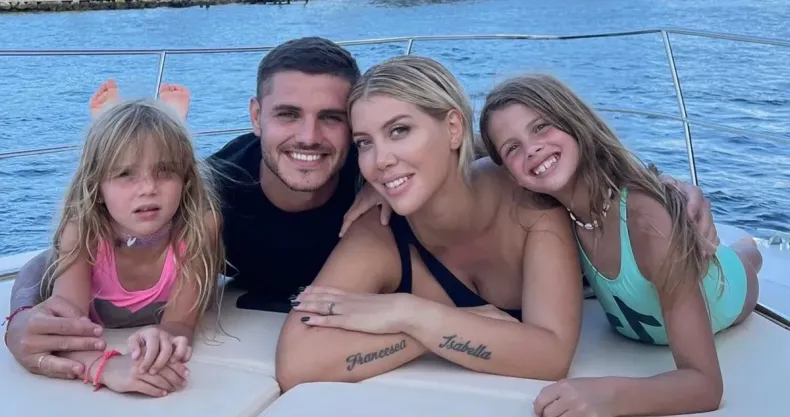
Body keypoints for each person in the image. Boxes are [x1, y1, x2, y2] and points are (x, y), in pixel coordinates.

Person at [4, 36, 715, 381]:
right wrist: (24, 315)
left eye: (339, 122)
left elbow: (533, 162)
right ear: (255, 116)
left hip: (610, 289)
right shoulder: (214, 189)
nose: (312, 138)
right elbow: (94, 228)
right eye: (287, 114)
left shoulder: (386, 191)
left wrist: (663, 187)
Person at [274, 55, 722, 392]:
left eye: (399, 131)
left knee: (741, 263)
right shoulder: (380, 229)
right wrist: (429, 327)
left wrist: (408, 312)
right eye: (364, 143)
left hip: (669, 286)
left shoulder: (528, 200)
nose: (380, 160)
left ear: (454, 128)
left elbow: (550, 357)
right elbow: (297, 363)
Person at [478, 73, 762, 417]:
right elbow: (470, 168)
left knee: (746, 258)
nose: (531, 149)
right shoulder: (556, 220)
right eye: (512, 148)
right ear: (511, 176)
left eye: (541, 127)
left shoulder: (648, 224)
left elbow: (705, 385)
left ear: (574, 121)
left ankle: (750, 248)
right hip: (643, 316)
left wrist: (610, 396)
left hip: (729, 291)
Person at [5, 94, 224, 397]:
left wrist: (160, 343)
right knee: (38, 273)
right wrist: (106, 367)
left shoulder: (200, 227)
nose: (148, 188)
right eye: (124, 174)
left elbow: (179, 325)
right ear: (96, 187)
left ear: (186, 180)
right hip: (64, 263)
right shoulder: (81, 232)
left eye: (165, 171)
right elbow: (67, 328)